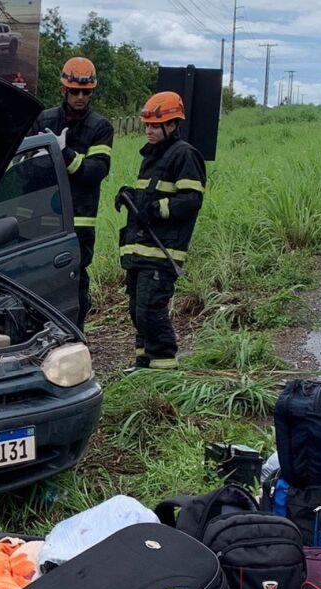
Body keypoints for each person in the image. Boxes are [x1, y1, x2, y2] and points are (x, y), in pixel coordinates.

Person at [114, 91, 206, 371]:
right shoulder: (153, 157)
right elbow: (149, 197)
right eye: (147, 126)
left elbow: (191, 200)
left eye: (155, 126)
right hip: (141, 250)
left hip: (162, 250)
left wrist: (157, 208)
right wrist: (131, 196)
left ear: (172, 125)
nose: (149, 131)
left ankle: (164, 366)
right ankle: (144, 362)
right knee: (137, 310)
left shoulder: (185, 155)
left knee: (150, 309)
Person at [30, 57, 114, 329]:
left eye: (86, 92)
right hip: (41, 215)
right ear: (63, 89)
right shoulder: (44, 119)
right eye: (75, 91)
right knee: (37, 277)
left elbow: (95, 172)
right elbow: (26, 169)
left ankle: (74, 336)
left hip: (79, 219)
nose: (80, 97)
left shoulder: (101, 127)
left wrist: (64, 155)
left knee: (73, 278)